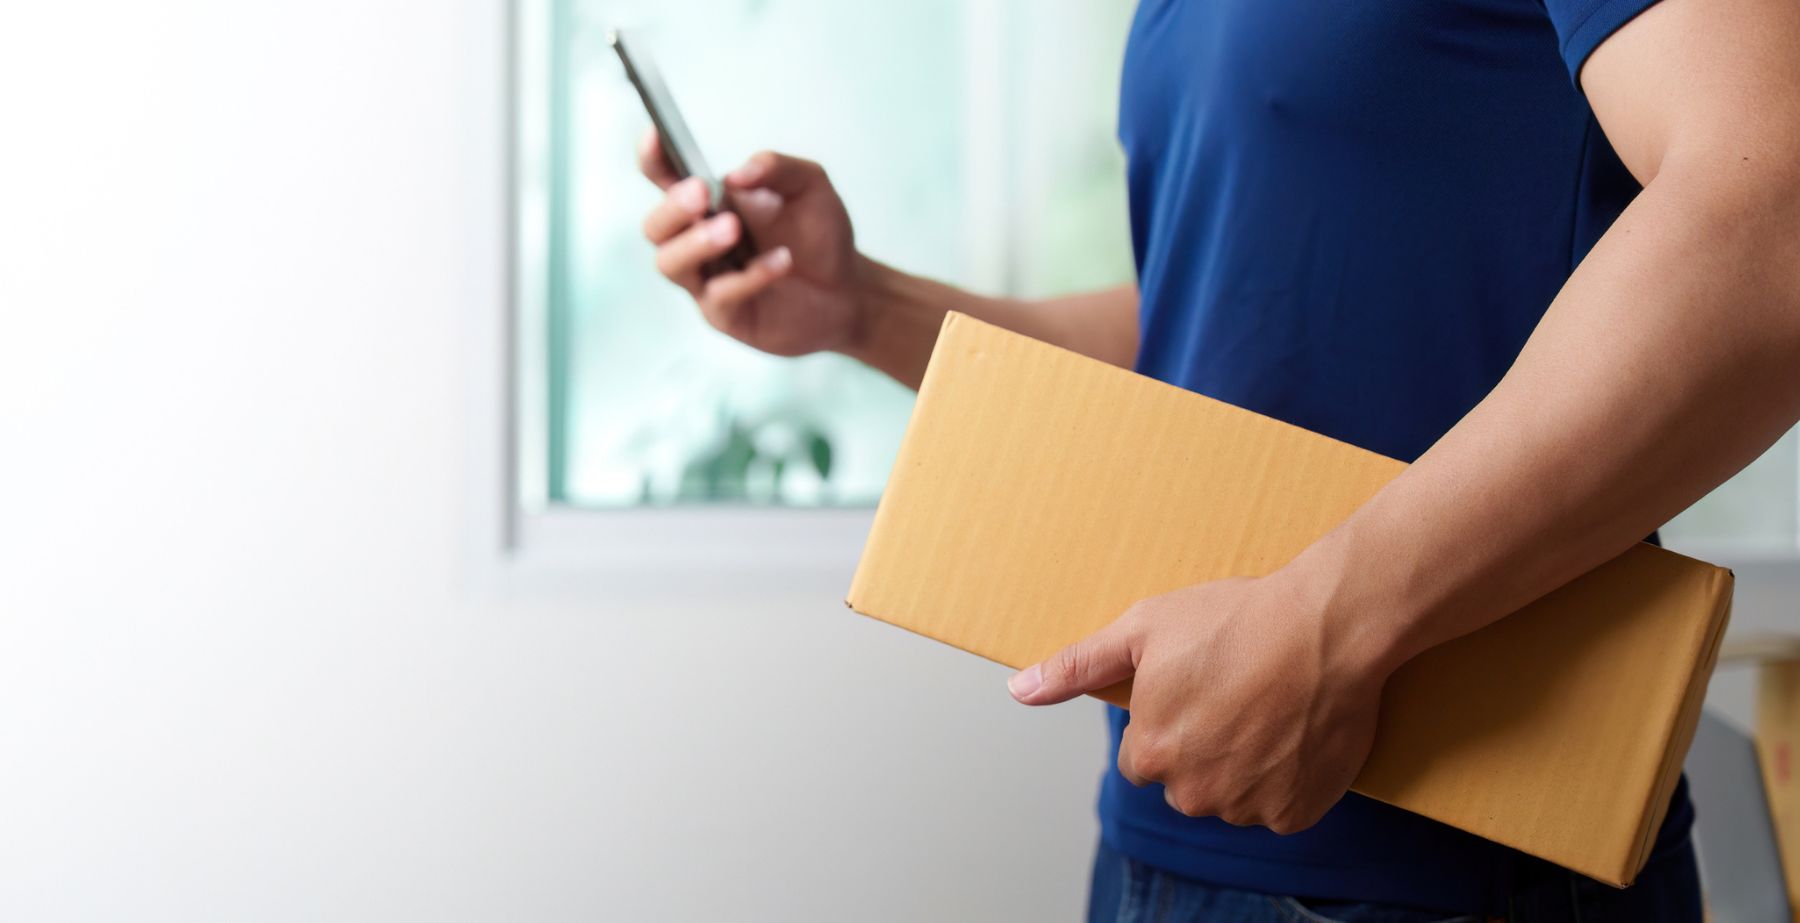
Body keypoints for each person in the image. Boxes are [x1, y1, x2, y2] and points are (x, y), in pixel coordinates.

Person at [634, 0, 1800, 916]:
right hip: (1183, 823)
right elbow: (1210, 329)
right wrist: (860, 305)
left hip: (1447, 860)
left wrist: (1329, 623)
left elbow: (1770, 213)